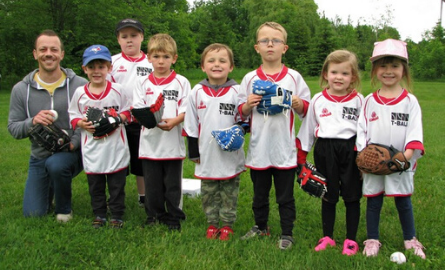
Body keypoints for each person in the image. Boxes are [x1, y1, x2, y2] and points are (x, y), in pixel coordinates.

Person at [238, 22, 311, 250]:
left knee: (285, 196)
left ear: (285, 48)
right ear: (256, 47)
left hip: (284, 149)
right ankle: (260, 227)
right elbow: (239, 111)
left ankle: (287, 233)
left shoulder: (294, 77)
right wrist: (248, 105)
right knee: (259, 194)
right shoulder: (250, 78)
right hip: (259, 148)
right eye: (264, 40)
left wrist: (299, 103)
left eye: (276, 40)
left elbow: (307, 109)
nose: (270, 44)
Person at [357, 39, 426, 259]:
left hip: (400, 163)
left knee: (403, 200)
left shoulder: (410, 101)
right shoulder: (369, 101)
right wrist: (363, 157)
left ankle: (410, 239)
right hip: (373, 165)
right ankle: (372, 239)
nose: (388, 71)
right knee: (374, 201)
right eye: (383, 66)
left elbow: (415, 133)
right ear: (375, 70)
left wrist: (402, 159)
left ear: (404, 70)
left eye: (394, 66)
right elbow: (362, 130)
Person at [8, 30, 86, 222]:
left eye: (54, 49)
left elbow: (86, 122)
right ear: (35, 54)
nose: (48, 53)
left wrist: (73, 144)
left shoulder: (79, 85)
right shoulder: (21, 89)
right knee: (33, 214)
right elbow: (14, 128)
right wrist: (32, 121)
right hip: (39, 157)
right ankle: (49, 185)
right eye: (43, 49)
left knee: (57, 164)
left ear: (62, 54)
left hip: (71, 153)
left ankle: (63, 209)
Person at [296, 50, 363, 255]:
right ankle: (327, 237)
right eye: (334, 72)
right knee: (328, 194)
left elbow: (364, 130)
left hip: (351, 149)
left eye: (345, 73)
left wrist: (362, 155)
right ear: (326, 74)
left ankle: (351, 240)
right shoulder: (318, 99)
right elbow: (308, 128)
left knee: (352, 196)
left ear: (353, 77)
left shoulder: (359, 100)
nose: (339, 77)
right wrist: (301, 156)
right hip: (325, 150)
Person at [184, 43, 246, 240]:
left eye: (222, 61)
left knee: (229, 191)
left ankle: (227, 224)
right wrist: (193, 152)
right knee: (209, 191)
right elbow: (191, 124)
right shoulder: (196, 91)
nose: (216, 64)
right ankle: (212, 223)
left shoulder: (237, 91)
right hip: (206, 153)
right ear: (203, 66)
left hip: (230, 153)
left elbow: (245, 120)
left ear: (231, 66)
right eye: (211, 60)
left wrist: (240, 131)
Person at [68, 45, 131, 228]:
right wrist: (81, 123)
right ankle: (100, 214)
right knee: (95, 184)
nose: (96, 71)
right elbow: (73, 114)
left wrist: (117, 118)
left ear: (109, 68)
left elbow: (129, 112)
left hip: (115, 146)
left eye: (101, 66)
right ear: (84, 69)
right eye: (92, 67)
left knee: (116, 185)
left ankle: (117, 215)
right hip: (92, 147)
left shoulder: (118, 90)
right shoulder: (80, 93)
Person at [133, 33, 190, 231]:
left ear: (174, 58)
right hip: (150, 143)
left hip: (172, 143)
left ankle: (174, 215)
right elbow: (138, 109)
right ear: (148, 57)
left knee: (173, 184)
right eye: (156, 56)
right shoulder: (142, 83)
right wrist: (152, 120)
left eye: (166, 57)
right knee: (152, 184)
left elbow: (185, 110)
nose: (160, 61)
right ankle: (154, 215)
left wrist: (174, 121)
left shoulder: (181, 82)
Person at [109, 18, 153, 207]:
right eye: (124, 36)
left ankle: (143, 197)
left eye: (134, 36)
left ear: (142, 37)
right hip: (117, 120)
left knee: (141, 161)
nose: (129, 40)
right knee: (116, 162)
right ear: (118, 40)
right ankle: (115, 198)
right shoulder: (111, 62)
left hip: (141, 121)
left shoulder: (152, 61)